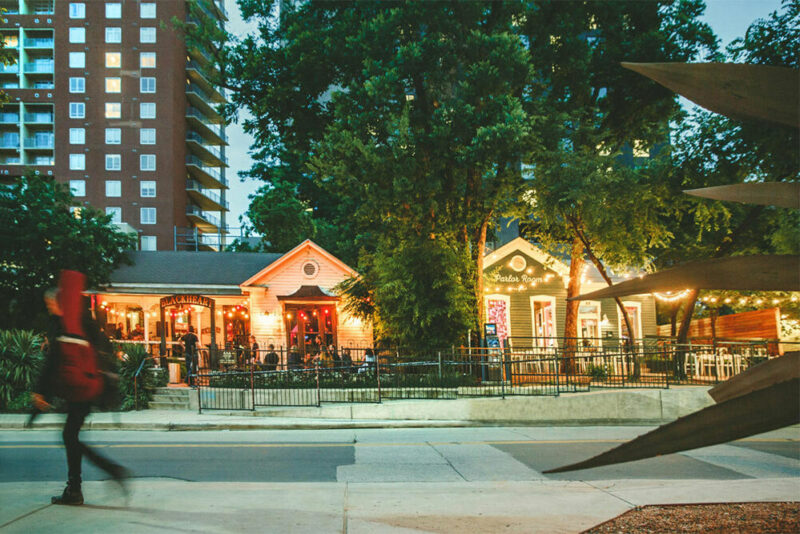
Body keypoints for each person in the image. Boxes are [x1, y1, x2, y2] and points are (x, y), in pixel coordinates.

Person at [32, 271, 130, 506]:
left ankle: (85, 483)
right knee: (70, 435)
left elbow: (52, 362)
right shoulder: (85, 322)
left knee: (69, 436)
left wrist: (40, 393)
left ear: (59, 302)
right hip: (90, 386)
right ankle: (77, 486)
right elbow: (103, 349)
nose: (48, 308)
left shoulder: (64, 326)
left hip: (78, 389)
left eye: (50, 304)